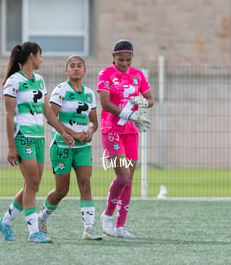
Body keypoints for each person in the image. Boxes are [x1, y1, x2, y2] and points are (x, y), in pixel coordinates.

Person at [0, 42, 75, 243]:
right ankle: (33, 233)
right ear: (32, 56)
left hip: (39, 138)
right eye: (40, 55)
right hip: (23, 137)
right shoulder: (13, 82)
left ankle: (5, 222)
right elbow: (9, 115)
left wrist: (63, 132)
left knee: (33, 184)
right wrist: (11, 146)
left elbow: (47, 111)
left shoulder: (39, 80)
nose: (42, 59)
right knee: (32, 183)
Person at [37, 55, 102, 241]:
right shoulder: (61, 90)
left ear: (84, 70)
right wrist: (72, 134)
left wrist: (90, 131)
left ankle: (89, 229)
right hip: (61, 146)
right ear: (66, 71)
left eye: (79, 66)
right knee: (61, 190)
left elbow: (93, 121)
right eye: (72, 66)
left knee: (86, 183)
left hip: (83, 147)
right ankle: (41, 218)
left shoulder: (90, 93)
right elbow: (51, 117)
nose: (75, 68)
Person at [97, 39, 154, 239]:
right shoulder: (106, 74)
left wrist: (142, 103)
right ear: (113, 57)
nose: (125, 64)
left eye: (128, 60)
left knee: (129, 179)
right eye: (121, 60)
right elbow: (104, 103)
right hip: (111, 129)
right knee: (122, 175)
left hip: (131, 132)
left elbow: (150, 99)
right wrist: (127, 114)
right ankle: (107, 216)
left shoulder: (137, 75)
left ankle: (121, 226)